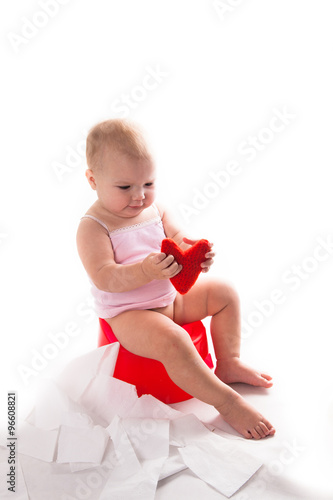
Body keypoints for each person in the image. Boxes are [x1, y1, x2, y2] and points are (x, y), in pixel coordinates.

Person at [76, 119, 275, 440]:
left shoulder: (157, 211)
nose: (139, 196)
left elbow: (179, 237)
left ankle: (228, 362)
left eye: (148, 184)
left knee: (225, 292)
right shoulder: (94, 226)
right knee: (175, 341)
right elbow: (104, 277)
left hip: (170, 298)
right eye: (125, 187)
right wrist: (145, 271)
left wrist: (195, 251)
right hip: (129, 315)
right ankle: (226, 402)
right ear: (92, 180)